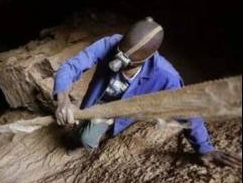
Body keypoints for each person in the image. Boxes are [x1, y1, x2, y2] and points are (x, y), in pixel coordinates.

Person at [53, 17, 241, 169]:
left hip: (119, 110)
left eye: (126, 63)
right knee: (82, 120)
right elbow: (71, 67)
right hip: (96, 99)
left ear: (146, 59)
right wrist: (62, 99)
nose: (116, 63)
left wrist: (205, 148)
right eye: (118, 52)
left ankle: (89, 144)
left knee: (87, 137)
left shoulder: (166, 77)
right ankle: (85, 132)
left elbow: (187, 111)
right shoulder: (110, 43)